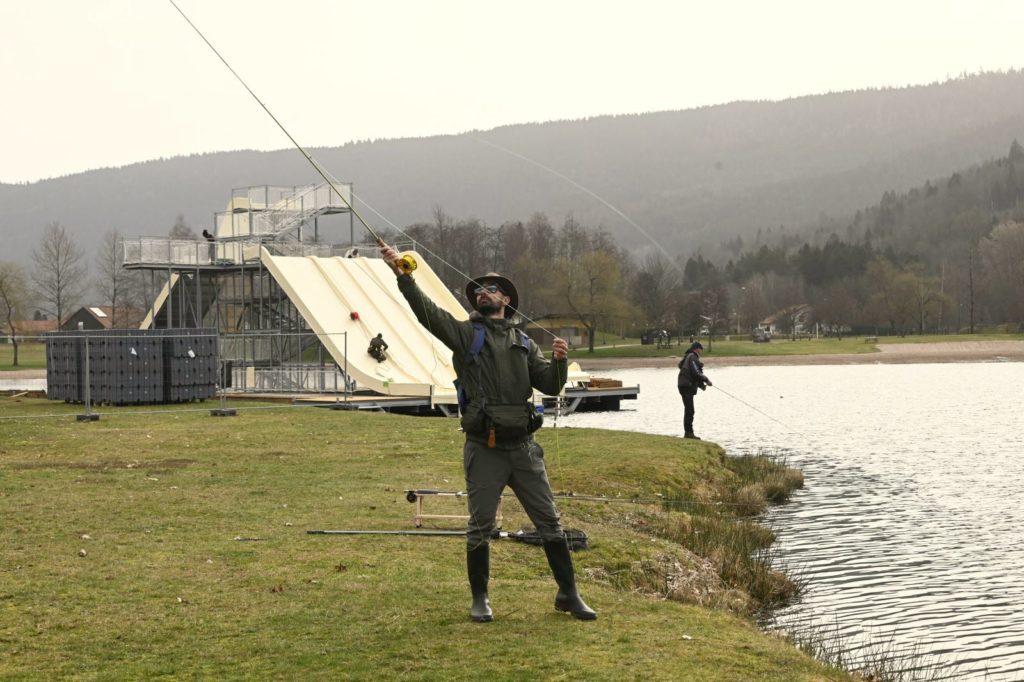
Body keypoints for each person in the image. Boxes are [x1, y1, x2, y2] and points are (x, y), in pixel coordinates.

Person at [379, 242, 597, 623]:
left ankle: (568, 594)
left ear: (506, 299)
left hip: (525, 450)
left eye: (491, 289)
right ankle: (480, 599)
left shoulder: (525, 343)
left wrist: (560, 363)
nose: (483, 292)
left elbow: (548, 385)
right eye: (478, 289)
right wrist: (403, 274)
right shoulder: (465, 336)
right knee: (480, 526)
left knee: (550, 523)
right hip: (485, 448)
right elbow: (426, 313)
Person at [677, 341, 711, 439]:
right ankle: (688, 433)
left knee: (689, 409)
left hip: (685, 385)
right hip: (686, 386)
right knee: (690, 410)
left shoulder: (690, 356)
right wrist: (707, 380)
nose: (702, 351)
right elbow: (696, 373)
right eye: (701, 349)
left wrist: (701, 386)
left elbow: (692, 374)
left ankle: (688, 432)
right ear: (696, 349)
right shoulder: (692, 357)